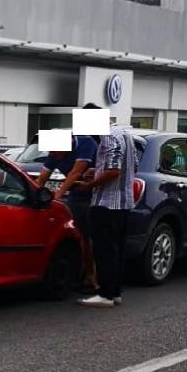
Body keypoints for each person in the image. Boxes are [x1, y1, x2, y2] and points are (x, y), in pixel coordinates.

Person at [77, 118, 136, 308]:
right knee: (117, 251)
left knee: (104, 251)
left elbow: (113, 170)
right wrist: (97, 170)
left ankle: (105, 294)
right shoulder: (125, 135)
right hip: (124, 203)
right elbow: (132, 165)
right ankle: (116, 292)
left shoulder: (108, 137)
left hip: (106, 203)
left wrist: (89, 185)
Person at [33, 133, 99, 293]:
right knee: (78, 234)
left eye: (54, 152)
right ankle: (82, 274)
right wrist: (33, 192)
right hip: (77, 194)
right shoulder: (55, 152)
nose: (51, 155)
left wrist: (59, 194)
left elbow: (75, 173)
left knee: (90, 237)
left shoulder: (86, 143)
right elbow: (41, 178)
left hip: (96, 194)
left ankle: (93, 278)